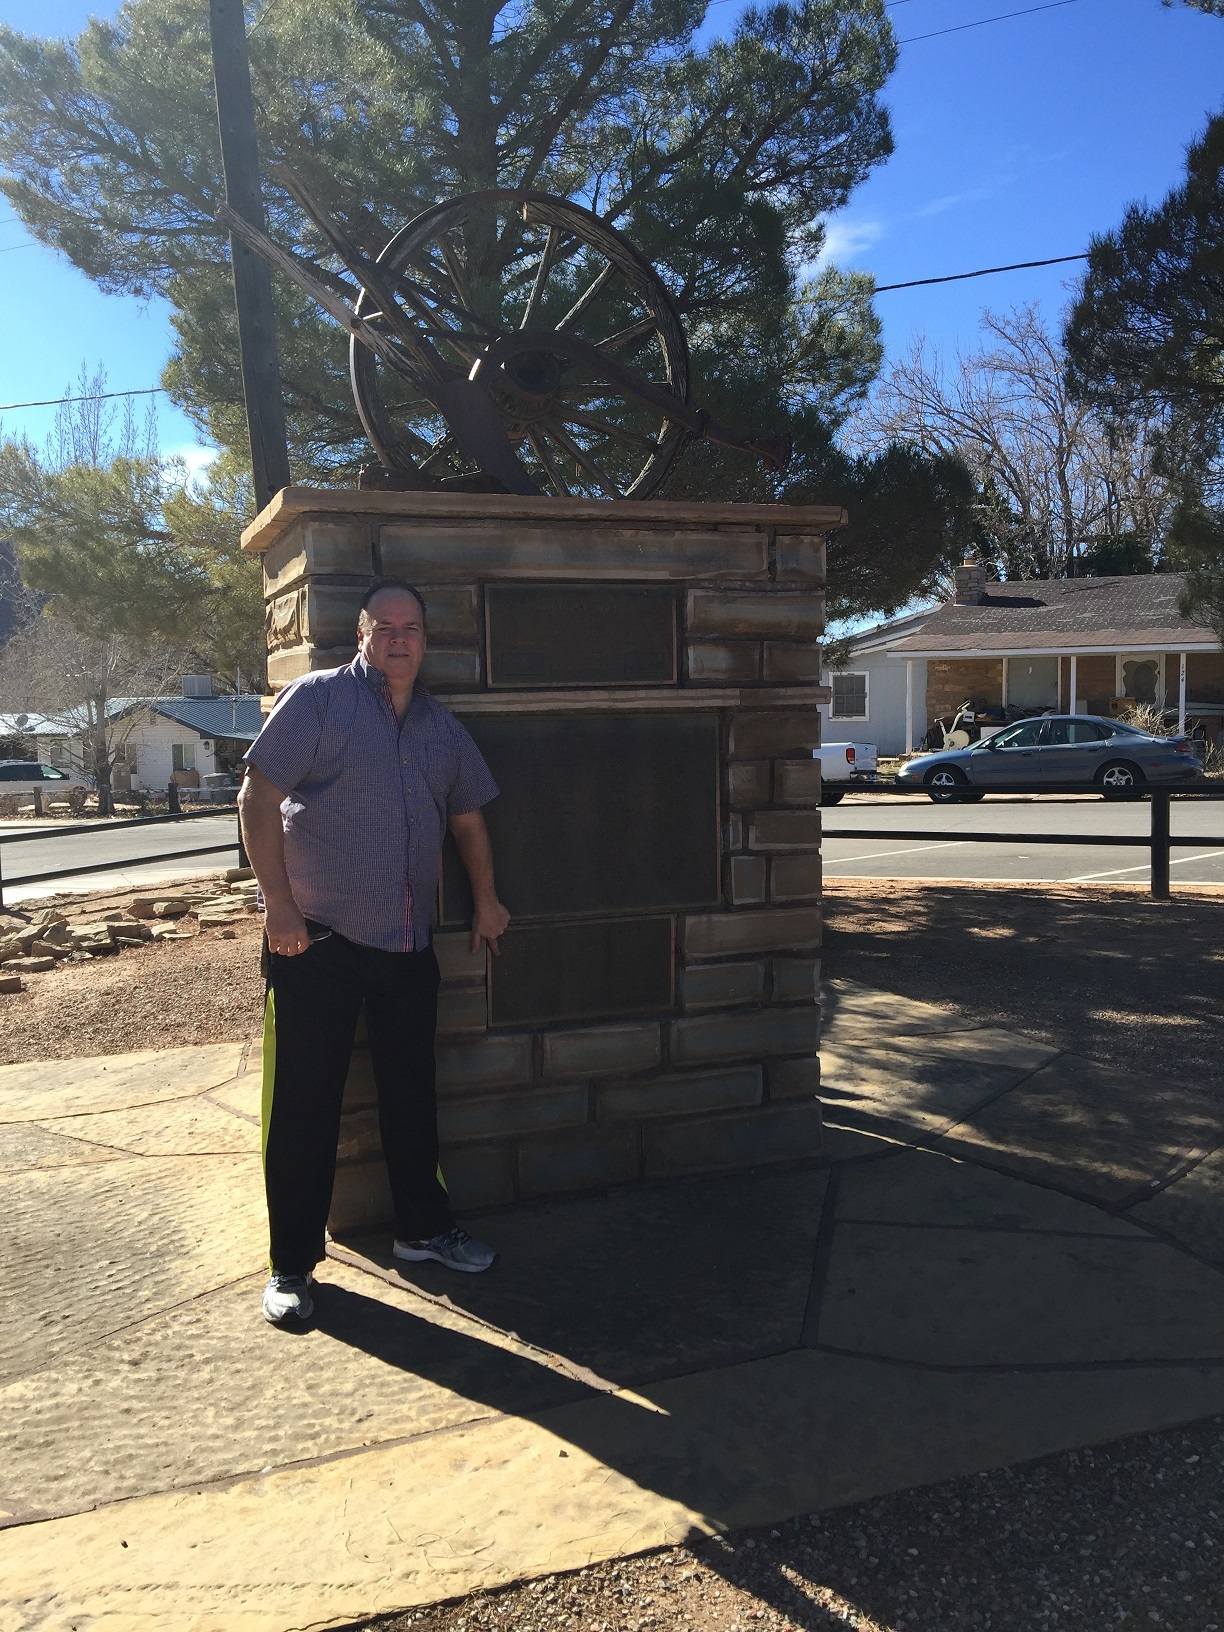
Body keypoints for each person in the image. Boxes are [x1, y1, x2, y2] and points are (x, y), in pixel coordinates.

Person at [239, 579, 511, 1326]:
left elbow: (468, 820)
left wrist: (486, 900)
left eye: (412, 627)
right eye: (384, 625)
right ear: (361, 635)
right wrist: (279, 907)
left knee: (411, 1098)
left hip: (404, 944)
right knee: (303, 1110)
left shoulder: (439, 727)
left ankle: (424, 1231)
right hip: (315, 942)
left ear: (425, 640)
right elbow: (256, 797)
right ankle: (291, 1266)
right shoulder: (319, 701)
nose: (399, 637)